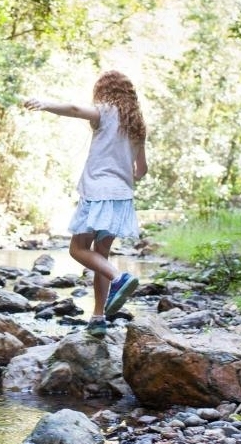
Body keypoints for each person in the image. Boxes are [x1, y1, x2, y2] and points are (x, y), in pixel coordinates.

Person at [23, 70, 148, 338]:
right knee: (99, 256)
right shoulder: (137, 124)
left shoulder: (105, 111)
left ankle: (120, 278)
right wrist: (125, 169)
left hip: (97, 193)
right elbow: (142, 169)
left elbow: (75, 108)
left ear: (104, 91)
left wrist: (45, 104)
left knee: (78, 249)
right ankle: (98, 318)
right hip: (121, 196)